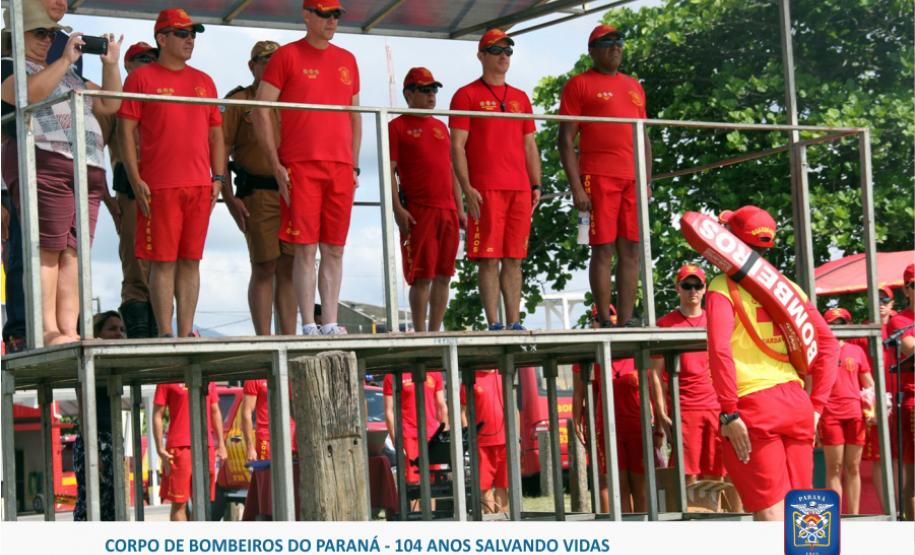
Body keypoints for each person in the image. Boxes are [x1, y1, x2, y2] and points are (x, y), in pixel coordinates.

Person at [706, 205, 838, 520]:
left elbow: (720, 350)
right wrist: (816, 406)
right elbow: (829, 344)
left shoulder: (721, 287)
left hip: (753, 408)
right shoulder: (791, 289)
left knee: (771, 518)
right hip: (797, 403)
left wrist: (728, 413)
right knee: (805, 516)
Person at [1, 3, 122, 346]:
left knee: (73, 253)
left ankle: (69, 330)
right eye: (40, 33)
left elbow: (110, 103)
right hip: (45, 160)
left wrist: (111, 65)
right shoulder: (9, 66)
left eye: (51, 34)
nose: (47, 40)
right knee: (47, 250)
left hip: (86, 166)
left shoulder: (68, 74)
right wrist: (65, 59)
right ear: (17, 36)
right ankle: (47, 330)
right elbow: (26, 94)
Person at [254, 0, 361, 336]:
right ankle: (308, 323)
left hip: (341, 166)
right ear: (307, 15)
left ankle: (329, 320)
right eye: (325, 14)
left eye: (336, 15)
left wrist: (354, 164)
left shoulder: (348, 59)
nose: (332, 21)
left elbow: (355, 115)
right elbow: (260, 108)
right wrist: (275, 163)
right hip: (301, 164)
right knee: (305, 247)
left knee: (335, 246)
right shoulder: (287, 56)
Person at [118, 8, 225, 338]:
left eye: (192, 33)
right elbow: (125, 131)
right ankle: (166, 331)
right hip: (159, 185)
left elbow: (216, 133)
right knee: (162, 261)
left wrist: (218, 177)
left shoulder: (204, 81)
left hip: (198, 184)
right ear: (162, 39)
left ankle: (186, 331)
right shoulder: (140, 79)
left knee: (191, 260)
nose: (189, 39)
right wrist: (135, 180)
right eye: (182, 33)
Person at [558, 24, 651, 328]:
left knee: (632, 248)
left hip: (632, 179)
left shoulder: (634, 86)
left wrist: (647, 181)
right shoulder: (579, 85)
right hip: (597, 176)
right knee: (603, 247)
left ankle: (626, 319)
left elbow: (643, 136)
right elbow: (565, 139)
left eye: (619, 41)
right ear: (593, 50)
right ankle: (604, 317)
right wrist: (576, 188)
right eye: (607, 42)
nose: (616, 46)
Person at [450, 28, 541, 331]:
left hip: (518, 188)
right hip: (485, 188)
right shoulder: (466, 94)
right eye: (496, 50)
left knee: (515, 258)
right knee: (488, 259)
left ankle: (514, 321)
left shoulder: (520, 97)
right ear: (481, 55)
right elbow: (457, 146)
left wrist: (536, 184)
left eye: (508, 51)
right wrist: (466, 187)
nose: (503, 56)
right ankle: (494, 323)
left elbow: (530, 145)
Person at [222, 40, 296, 336]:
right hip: (257, 192)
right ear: (252, 66)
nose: (271, 66)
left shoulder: (292, 100)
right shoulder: (240, 101)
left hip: (292, 192)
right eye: (265, 60)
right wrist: (227, 197)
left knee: (290, 268)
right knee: (265, 265)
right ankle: (264, 337)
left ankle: (290, 336)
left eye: (277, 61)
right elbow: (221, 151)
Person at [389, 67, 465, 332]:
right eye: (424, 89)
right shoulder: (396, 127)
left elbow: (452, 170)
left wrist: (460, 208)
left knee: (445, 274)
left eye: (433, 89)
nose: (431, 95)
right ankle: (420, 332)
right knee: (422, 274)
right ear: (408, 94)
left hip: (447, 209)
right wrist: (397, 208)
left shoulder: (441, 127)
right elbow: (389, 169)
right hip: (419, 209)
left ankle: (435, 330)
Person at [97, 42, 158, 338]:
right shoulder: (116, 101)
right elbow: (92, 150)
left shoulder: (164, 98)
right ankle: (138, 332)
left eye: (153, 58)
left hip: (164, 185)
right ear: (128, 65)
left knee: (166, 261)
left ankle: (161, 327)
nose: (149, 62)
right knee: (136, 264)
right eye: (142, 58)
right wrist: (109, 201)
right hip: (128, 188)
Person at [649, 264, 725, 486]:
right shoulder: (665, 325)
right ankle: (689, 518)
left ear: (704, 289)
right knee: (687, 473)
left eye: (697, 285)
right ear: (677, 289)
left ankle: (716, 516)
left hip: (716, 407)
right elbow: (654, 374)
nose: (693, 291)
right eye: (687, 286)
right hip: (684, 408)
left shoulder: (715, 319)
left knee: (716, 471)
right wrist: (661, 413)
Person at [572, 304, 648, 513]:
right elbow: (579, 394)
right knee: (616, 484)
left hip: (635, 427)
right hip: (605, 428)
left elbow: (652, 388)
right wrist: (577, 421)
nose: (603, 321)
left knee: (641, 486)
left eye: (611, 315)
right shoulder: (589, 355)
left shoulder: (635, 351)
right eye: (596, 318)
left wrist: (657, 424)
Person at [820, 307, 874, 514]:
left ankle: (854, 515)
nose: (837, 328)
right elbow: (812, 384)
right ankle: (835, 517)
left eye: (841, 324)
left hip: (855, 415)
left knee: (853, 467)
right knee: (834, 468)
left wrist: (873, 410)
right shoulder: (820, 351)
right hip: (830, 415)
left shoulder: (856, 351)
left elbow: (868, 384)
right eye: (832, 324)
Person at [72, 310, 125, 521]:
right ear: (97, 333)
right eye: (112, 329)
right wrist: (92, 449)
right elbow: (84, 409)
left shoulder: (113, 362)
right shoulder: (88, 363)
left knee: (112, 504)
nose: (119, 333)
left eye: (121, 329)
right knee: (92, 504)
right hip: (94, 439)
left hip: (110, 440)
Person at [153, 381, 227, 521]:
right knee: (179, 503)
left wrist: (222, 445)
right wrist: (159, 448)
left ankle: (197, 541)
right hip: (179, 447)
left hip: (206, 446)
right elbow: (157, 414)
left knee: (202, 502)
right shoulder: (167, 378)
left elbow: (215, 410)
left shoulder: (207, 378)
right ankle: (183, 542)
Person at [383, 370, 448, 509]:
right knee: (414, 482)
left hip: (432, 435)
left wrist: (445, 435)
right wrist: (396, 440)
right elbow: (389, 411)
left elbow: (441, 405)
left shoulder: (434, 372)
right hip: (409, 436)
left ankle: (432, 521)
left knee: (432, 481)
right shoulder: (392, 375)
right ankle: (417, 520)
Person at [885, 263, 914, 520]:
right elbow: (910, 349)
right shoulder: (899, 320)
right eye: (914, 285)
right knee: (914, 475)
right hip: (913, 401)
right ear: (906, 290)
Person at [460, 369, 506, 513]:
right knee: (484, 487)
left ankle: (506, 527)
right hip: (481, 444)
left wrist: (516, 439)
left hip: (504, 442)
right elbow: (462, 412)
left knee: (503, 485)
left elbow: (513, 408)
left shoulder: (503, 374)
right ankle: (490, 527)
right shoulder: (470, 378)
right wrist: (469, 438)